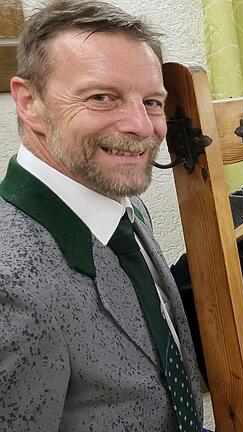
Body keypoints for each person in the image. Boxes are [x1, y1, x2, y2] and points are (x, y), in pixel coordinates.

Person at [0, 1, 204, 431]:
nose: (142, 126)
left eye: (151, 102)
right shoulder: (9, 283)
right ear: (29, 101)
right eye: (101, 98)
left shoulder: (122, 209)